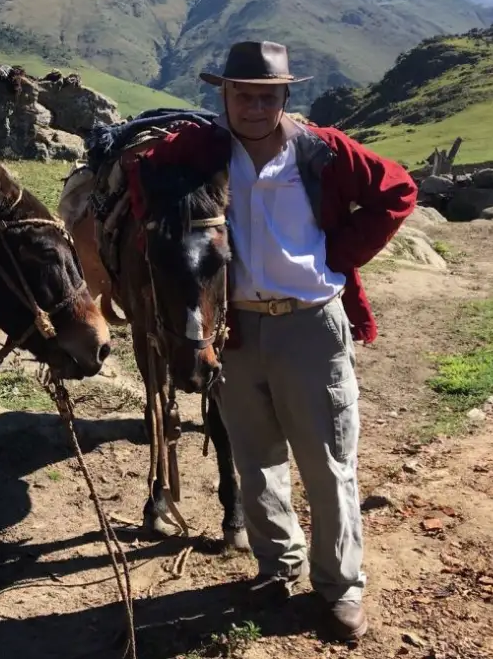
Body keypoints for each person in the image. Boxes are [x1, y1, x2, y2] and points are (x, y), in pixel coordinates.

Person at [130, 40, 416, 643]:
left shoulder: (322, 151)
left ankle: (340, 587)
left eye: (266, 96)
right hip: (234, 330)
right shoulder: (204, 151)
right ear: (224, 97)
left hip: (311, 324)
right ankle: (276, 564)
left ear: (286, 96)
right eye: (242, 95)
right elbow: (142, 176)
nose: (254, 107)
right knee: (256, 459)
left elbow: (398, 192)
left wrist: (338, 256)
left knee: (328, 463)